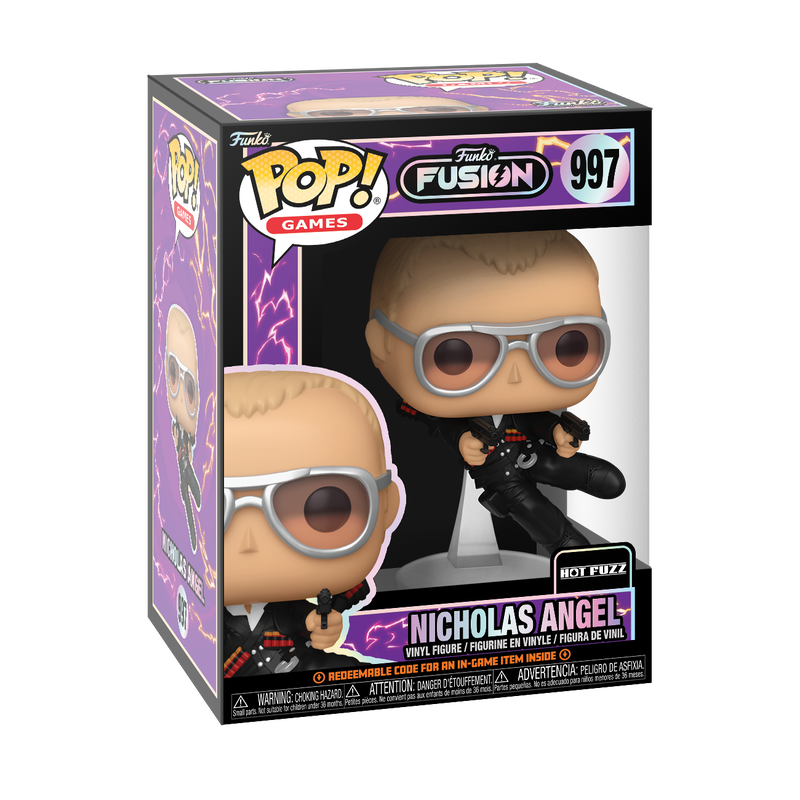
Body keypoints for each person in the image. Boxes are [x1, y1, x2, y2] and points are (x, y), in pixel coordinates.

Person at [365, 231, 625, 555]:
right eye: (457, 354)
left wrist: (556, 431)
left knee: (605, 479)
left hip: (533, 453)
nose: (515, 375)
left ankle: (584, 483)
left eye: (566, 346)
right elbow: (446, 423)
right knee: (537, 515)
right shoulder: (458, 412)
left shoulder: (521, 406)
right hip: (500, 476)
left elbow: (532, 419)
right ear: (383, 343)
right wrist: (463, 440)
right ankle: (567, 549)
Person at [222, 367, 402, 677]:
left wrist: (321, 624)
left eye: (321, 508)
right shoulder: (204, 615)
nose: (249, 543)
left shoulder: (284, 606)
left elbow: (303, 618)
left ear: (386, 506)